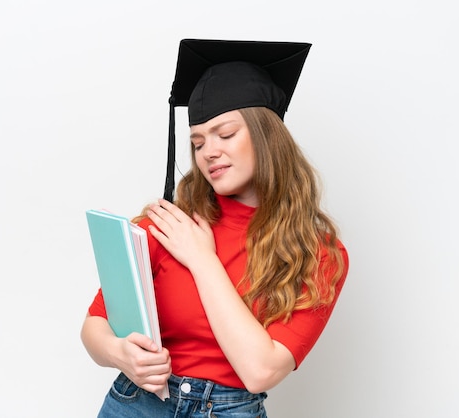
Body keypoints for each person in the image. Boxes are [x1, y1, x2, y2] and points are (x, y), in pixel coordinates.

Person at [81, 38, 349, 418]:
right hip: (139, 404)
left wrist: (202, 260)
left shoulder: (317, 253)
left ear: (267, 137)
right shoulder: (168, 224)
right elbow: (95, 325)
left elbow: (261, 372)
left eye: (225, 134)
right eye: (198, 141)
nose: (208, 152)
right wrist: (118, 352)